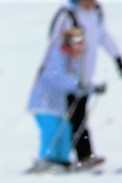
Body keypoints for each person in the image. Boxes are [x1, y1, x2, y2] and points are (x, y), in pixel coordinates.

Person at [47, 0, 122, 167]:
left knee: (79, 116)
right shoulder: (67, 15)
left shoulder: (95, 12)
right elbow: (55, 42)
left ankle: (81, 156)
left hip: (84, 76)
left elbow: (102, 35)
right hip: (67, 77)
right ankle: (67, 156)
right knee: (72, 117)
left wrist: (117, 56)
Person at [25, 21, 84, 172]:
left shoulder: (73, 59)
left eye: (81, 41)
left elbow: (75, 81)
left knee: (65, 130)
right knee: (51, 129)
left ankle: (61, 160)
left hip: (57, 104)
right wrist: (77, 84)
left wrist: (90, 88)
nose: (79, 46)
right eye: (76, 42)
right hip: (43, 102)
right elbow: (55, 77)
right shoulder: (57, 55)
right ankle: (47, 158)